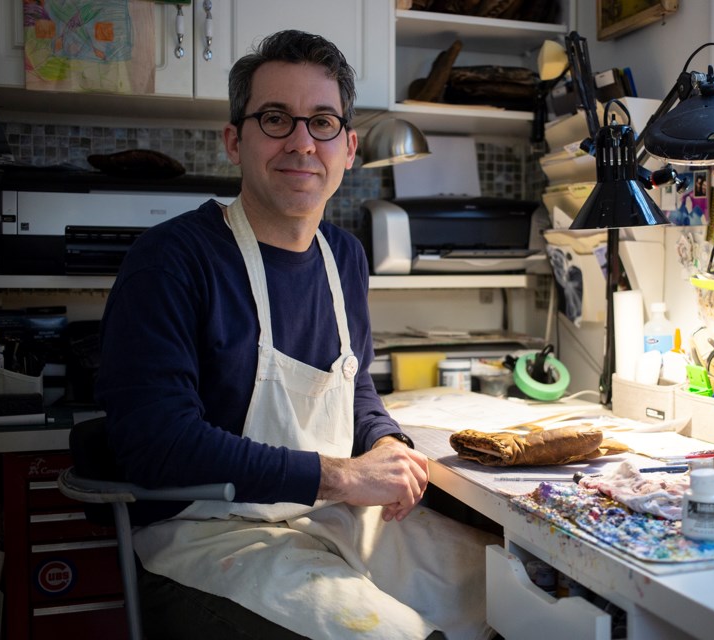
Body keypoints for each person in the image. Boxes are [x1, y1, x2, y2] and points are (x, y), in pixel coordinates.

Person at [96, 30, 494, 640]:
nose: (302, 143)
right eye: (276, 119)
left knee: (509, 591)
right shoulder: (172, 260)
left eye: (323, 122)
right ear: (235, 139)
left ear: (350, 147)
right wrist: (339, 476)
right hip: (209, 535)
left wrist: (385, 441)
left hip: (329, 516)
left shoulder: (345, 256)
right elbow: (155, 442)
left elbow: (355, 386)